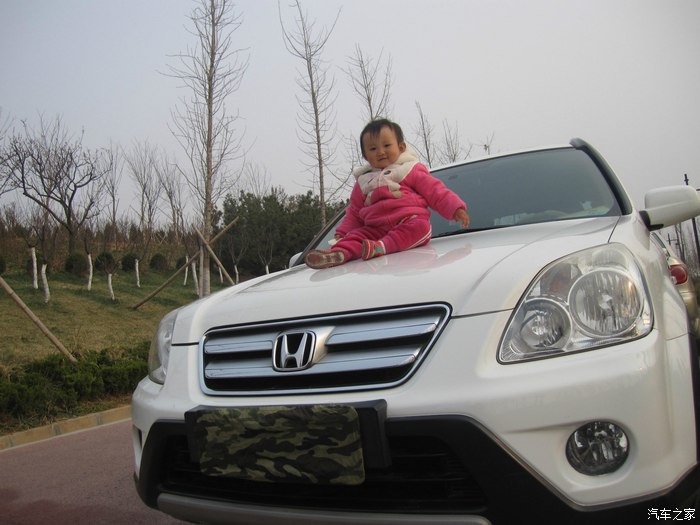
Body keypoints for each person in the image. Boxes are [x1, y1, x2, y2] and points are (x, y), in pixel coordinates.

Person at [305, 118, 469, 269]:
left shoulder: (410, 169)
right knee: (355, 237)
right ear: (365, 156)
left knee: (420, 226)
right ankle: (337, 254)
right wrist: (342, 233)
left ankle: (381, 247)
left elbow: (434, 190)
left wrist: (455, 208)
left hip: (407, 221)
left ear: (401, 147)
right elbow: (354, 212)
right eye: (373, 148)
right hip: (374, 229)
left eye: (387, 145)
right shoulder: (363, 181)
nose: (380, 152)